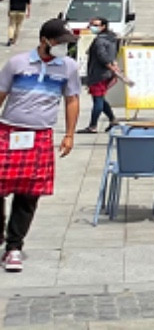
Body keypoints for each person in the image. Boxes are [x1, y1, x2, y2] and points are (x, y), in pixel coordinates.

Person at [0, 17, 81, 272]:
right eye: (60, 42)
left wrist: (69, 134)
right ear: (45, 40)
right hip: (9, 130)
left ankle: (14, 246)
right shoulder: (17, 63)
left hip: (39, 135)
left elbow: (72, 100)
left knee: (29, 194)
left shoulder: (68, 67)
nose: (64, 47)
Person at [80, 19, 124, 134]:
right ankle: (113, 120)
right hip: (106, 74)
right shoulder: (112, 38)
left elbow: (102, 56)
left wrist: (110, 66)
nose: (92, 27)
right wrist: (113, 65)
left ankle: (93, 125)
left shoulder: (99, 41)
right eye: (91, 24)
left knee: (97, 99)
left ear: (103, 26)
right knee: (101, 99)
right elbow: (113, 54)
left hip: (98, 74)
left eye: (95, 25)